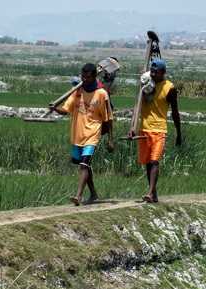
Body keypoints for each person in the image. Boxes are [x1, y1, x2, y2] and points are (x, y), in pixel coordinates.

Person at [52, 63, 114, 206]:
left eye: (87, 77)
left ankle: (78, 196)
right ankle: (93, 194)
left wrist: (110, 139)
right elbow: (66, 109)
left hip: (93, 133)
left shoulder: (101, 94)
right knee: (81, 163)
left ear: (94, 77)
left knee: (84, 163)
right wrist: (55, 108)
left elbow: (108, 118)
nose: (84, 79)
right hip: (77, 134)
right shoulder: (77, 91)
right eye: (82, 76)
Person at [129, 58, 181, 203]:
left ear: (163, 73)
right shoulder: (145, 84)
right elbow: (137, 106)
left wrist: (178, 132)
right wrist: (132, 127)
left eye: (155, 72)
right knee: (147, 163)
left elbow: (175, 112)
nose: (152, 74)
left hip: (159, 129)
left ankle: (150, 192)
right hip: (144, 128)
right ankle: (153, 193)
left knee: (154, 161)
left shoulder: (169, 88)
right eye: (151, 71)